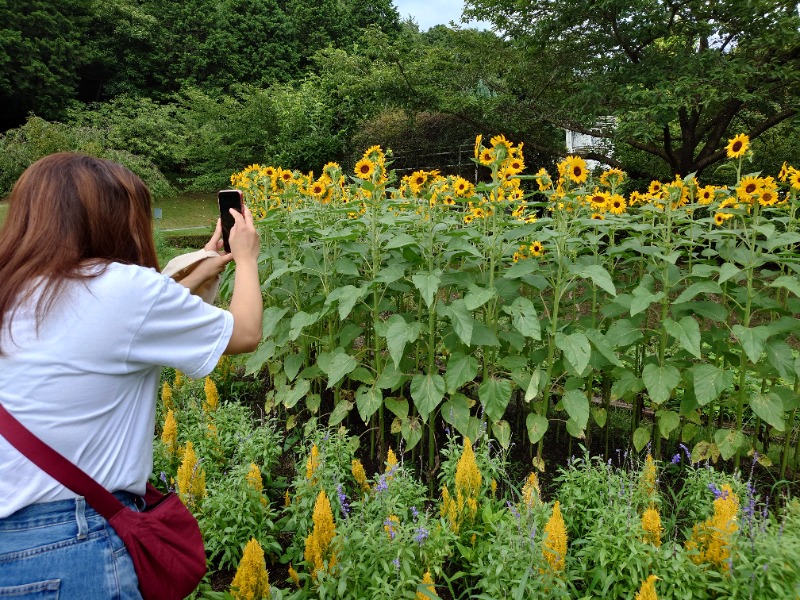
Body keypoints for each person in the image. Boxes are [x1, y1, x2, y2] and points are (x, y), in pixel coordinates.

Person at [0, 153, 263, 598]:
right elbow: (246, 333)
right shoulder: (124, 288)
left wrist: (198, 269)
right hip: (70, 544)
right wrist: (247, 257)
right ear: (112, 219)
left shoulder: (13, 288)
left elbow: (102, 332)